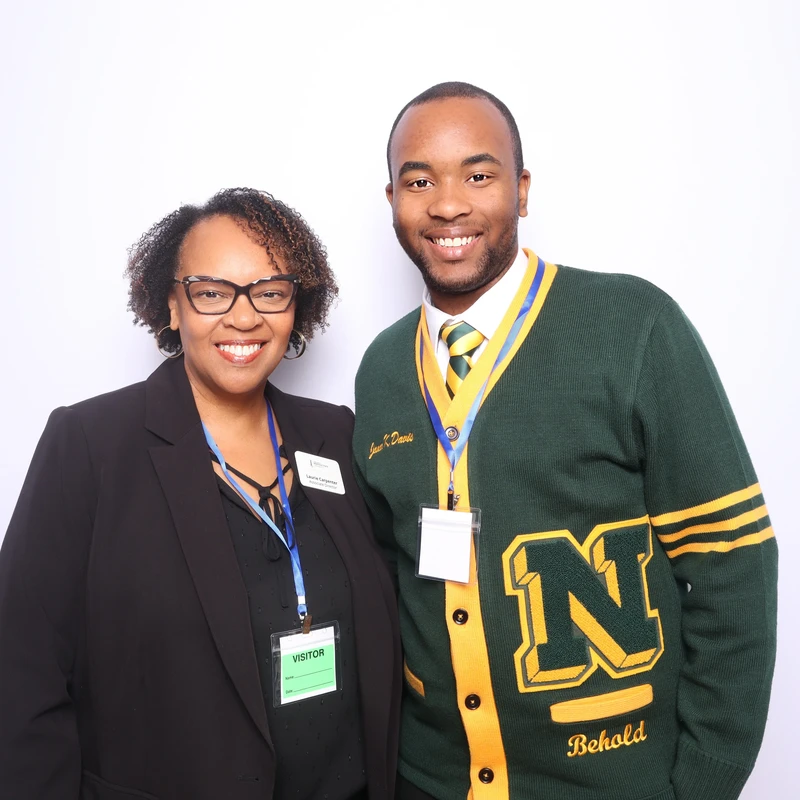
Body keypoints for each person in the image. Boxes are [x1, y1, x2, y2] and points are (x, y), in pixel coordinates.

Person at [352, 82, 777, 800]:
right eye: (418, 181)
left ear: (521, 191)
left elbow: (731, 564)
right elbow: (387, 575)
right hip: (430, 782)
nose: (448, 204)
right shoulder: (382, 368)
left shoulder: (631, 326)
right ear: (390, 196)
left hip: (614, 779)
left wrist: (705, 784)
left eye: (479, 176)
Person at [0, 188, 401, 799]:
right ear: (171, 303)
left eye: (270, 292)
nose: (244, 318)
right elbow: (19, 672)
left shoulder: (336, 434)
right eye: (212, 292)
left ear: (298, 304)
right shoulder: (88, 445)